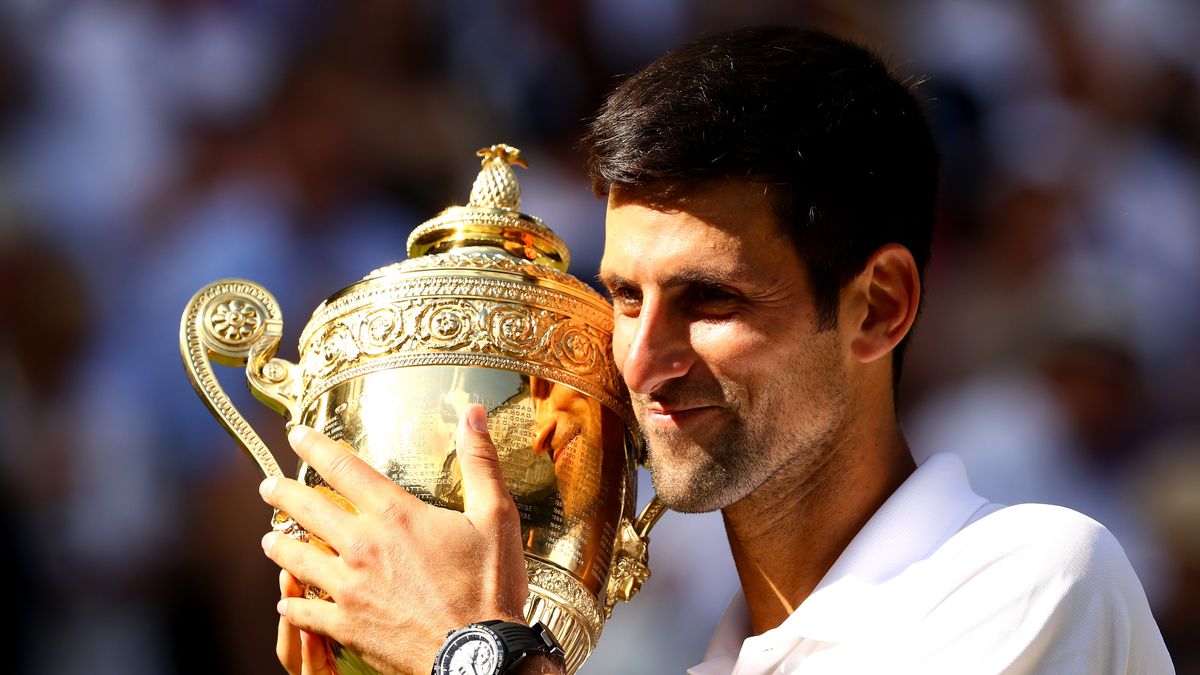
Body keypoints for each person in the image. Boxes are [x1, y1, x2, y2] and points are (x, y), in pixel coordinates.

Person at [258, 26, 1174, 674]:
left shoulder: (1039, 577)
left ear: (878, 307)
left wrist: (470, 648)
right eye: (623, 296)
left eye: (711, 299)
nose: (644, 355)